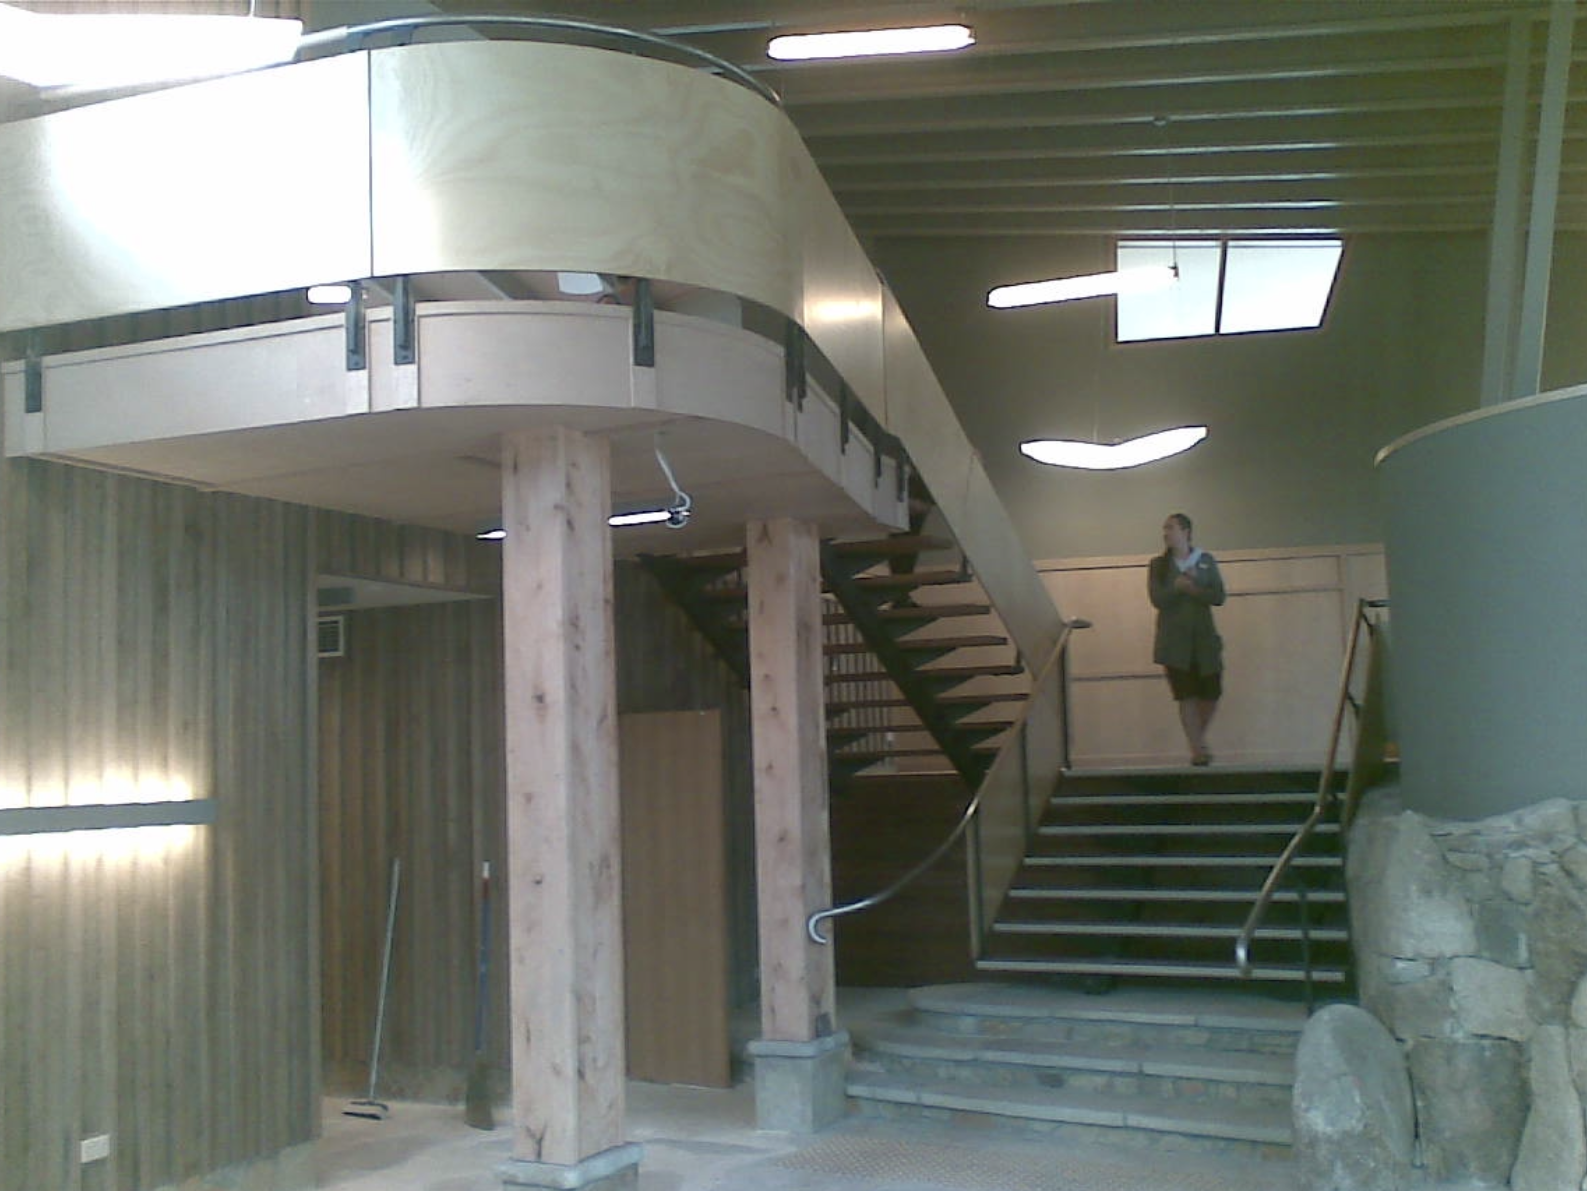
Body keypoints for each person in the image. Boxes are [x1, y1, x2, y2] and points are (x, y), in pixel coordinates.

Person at [1147, 513, 1226, 766]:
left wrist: (1193, 589)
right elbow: (1157, 599)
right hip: (1174, 643)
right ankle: (1198, 750)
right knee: (1186, 696)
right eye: (1164, 529)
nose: (1166, 533)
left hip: (1204, 641)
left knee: (1211, 694)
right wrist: (1177, 587)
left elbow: (1219, 596)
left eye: (1170, 528)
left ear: (1186, 531)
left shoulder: (1205, 560)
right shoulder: (1159, 565)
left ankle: (1197, 740)